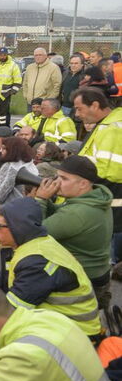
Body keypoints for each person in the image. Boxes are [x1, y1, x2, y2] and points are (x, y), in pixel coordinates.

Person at [0, 198, 102, 338]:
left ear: (17, 227)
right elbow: (6, 275)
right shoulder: (34, 243)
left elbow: (11, 312)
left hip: (76, 334)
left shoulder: (36, 262)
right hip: (66, 325)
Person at [33, 155, 113, 310]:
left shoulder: (78, 213)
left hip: (83, 279)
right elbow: (61, 214)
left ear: (83, 184)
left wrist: (41, 200)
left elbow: (36, 234)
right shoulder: (95, 198)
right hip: (98, 274)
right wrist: (48, 201)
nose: (56, 182)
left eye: (64, 178)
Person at [73, 87, 122, 277]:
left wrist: (77, 175)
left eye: (79, 109)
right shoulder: (106, 125)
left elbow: (113, 172)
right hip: (106, 203)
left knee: (105, 266)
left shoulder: (113, 129)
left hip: (111, 205)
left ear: (94, 105)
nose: (77, 114)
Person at [0, 137, 38, 209]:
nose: (0, 150)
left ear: (12, 150)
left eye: (4, 148)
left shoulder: (11, 166)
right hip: (25, 205)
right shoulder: (30, 164)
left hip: (8, 207)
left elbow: (2, 191)